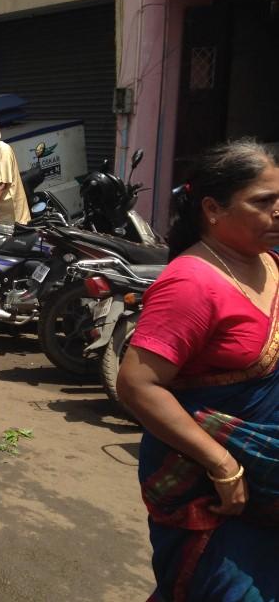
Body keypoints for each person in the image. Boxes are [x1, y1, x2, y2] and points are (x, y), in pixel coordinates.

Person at [117, 139, 279, 601]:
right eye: (263, 202)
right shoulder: (192, 282)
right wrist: (223, 464)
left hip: (268, 482)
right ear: (212, 208)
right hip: (214, 492)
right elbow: (137, 384)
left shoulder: (270, 264)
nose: (278, 211)